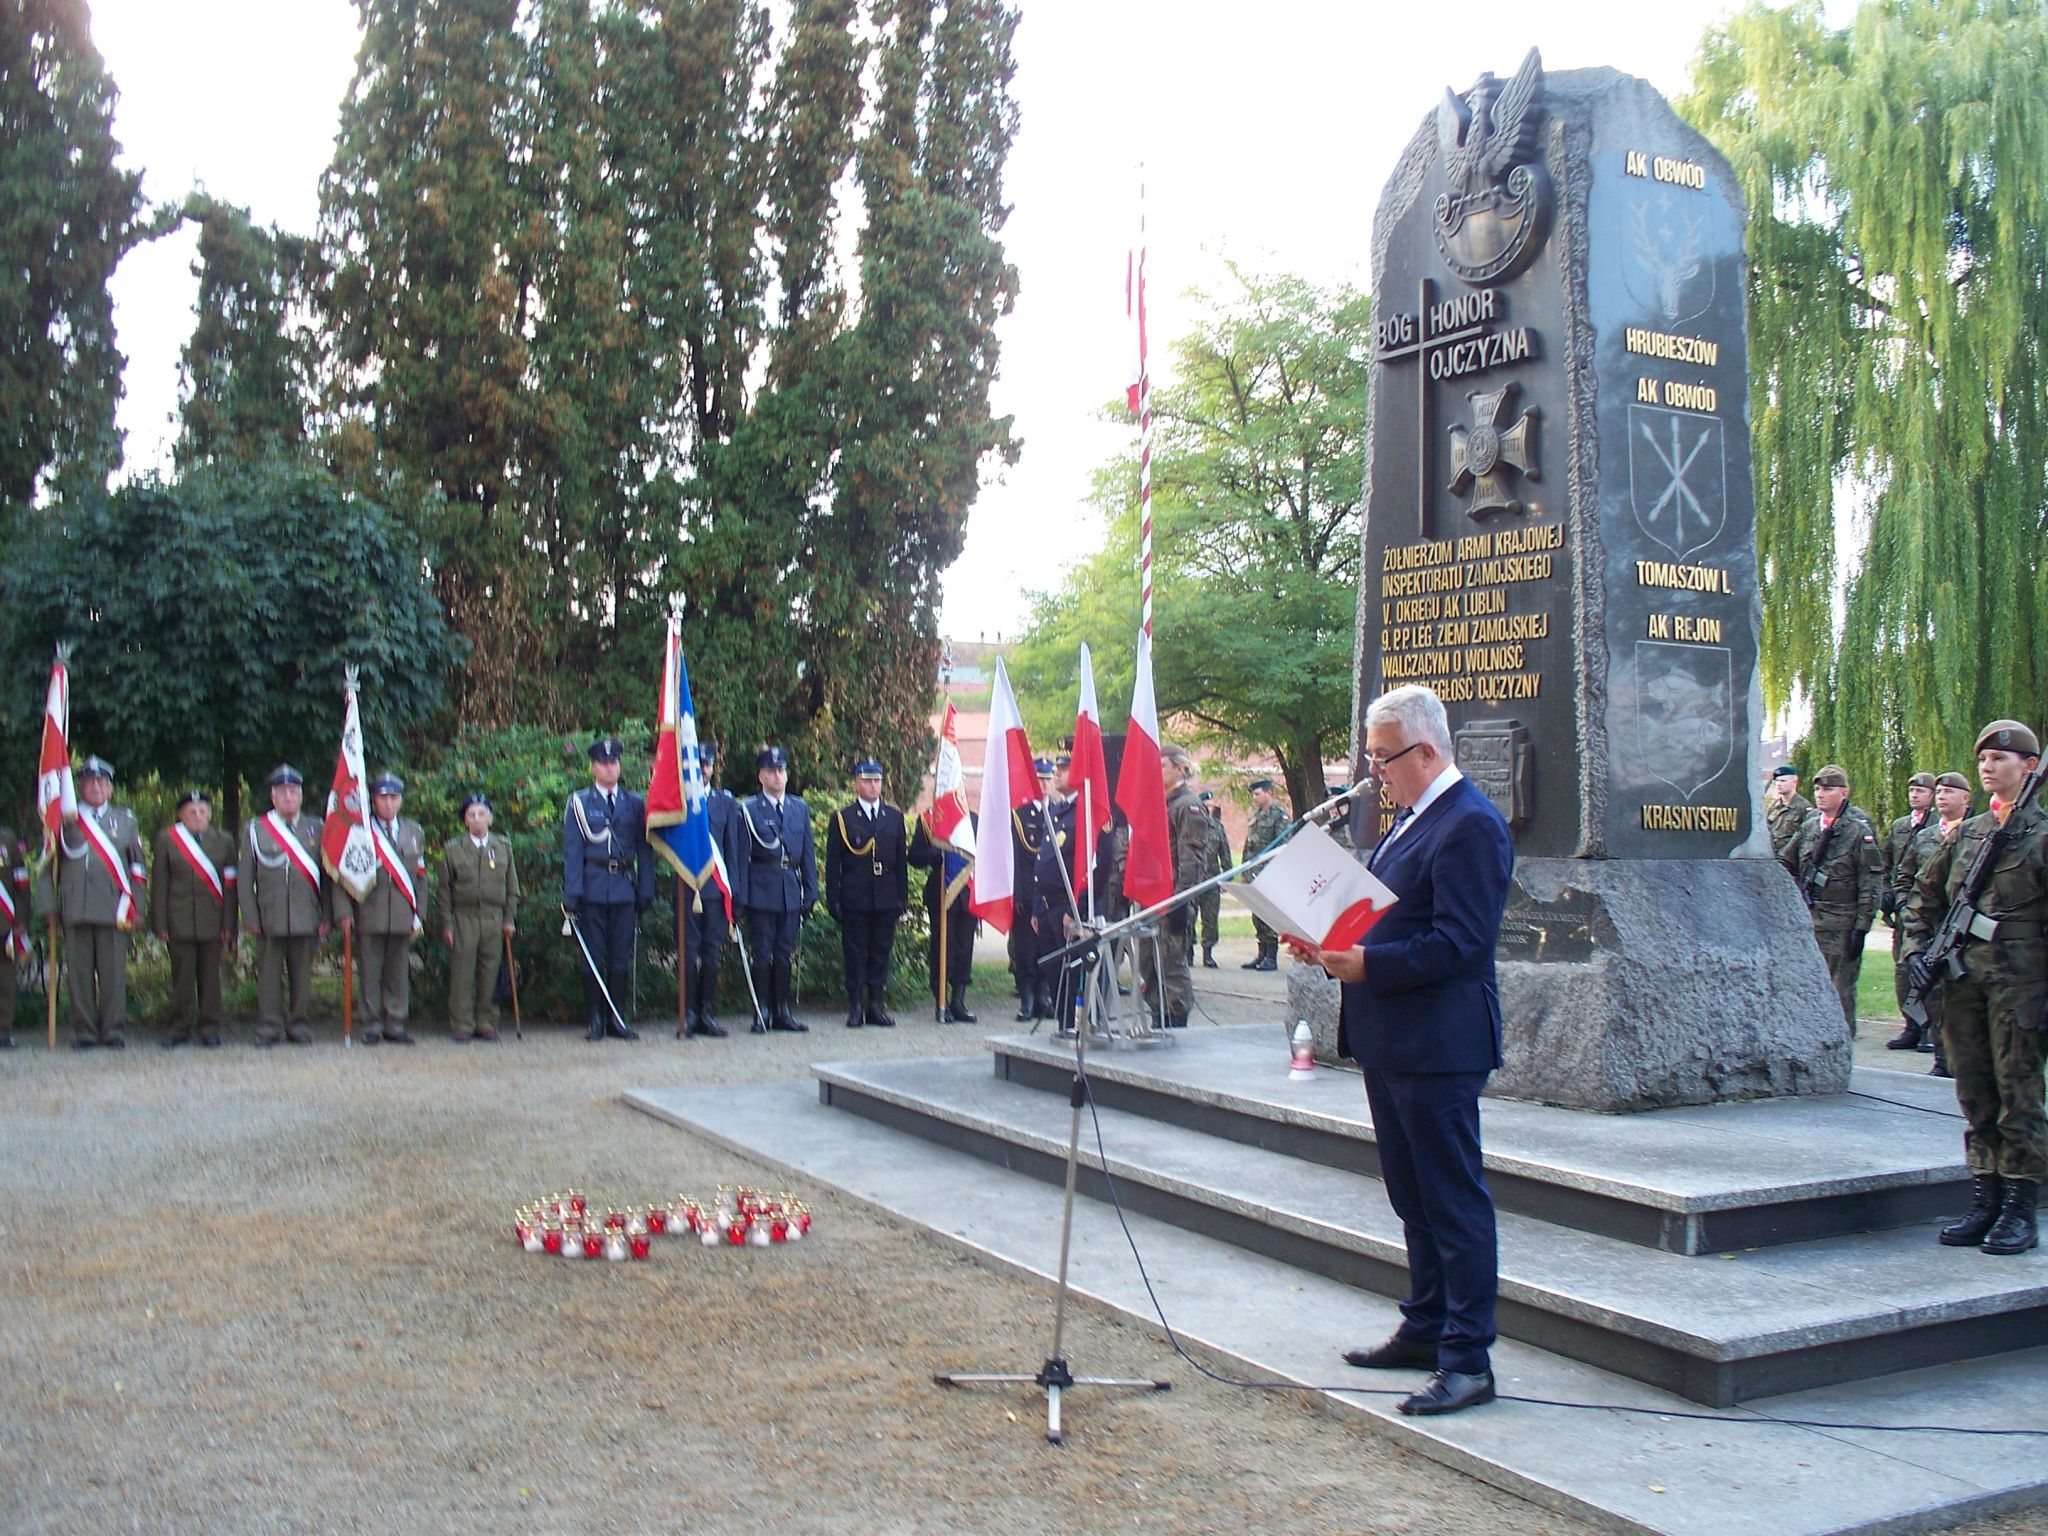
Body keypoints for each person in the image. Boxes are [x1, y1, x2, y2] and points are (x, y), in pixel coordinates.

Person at [1315, 683, 1512, 1418]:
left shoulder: (1471, 825)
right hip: (1392, 1038)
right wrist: (1330, 943)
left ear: (1428, 751)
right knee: (1412, 1197)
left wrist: (1371, 965)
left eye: (1384, 759)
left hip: (1440, 1043)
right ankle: (1426, 1326)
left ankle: (1468, 1359)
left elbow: (1463, 944)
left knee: (1452, 1202)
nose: (1375, 775)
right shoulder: (1408, 822)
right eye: (1370, 758)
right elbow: (1389, 917)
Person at [1904, 720, 2046, 1256]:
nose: (1988, 766)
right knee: (1975, 1091)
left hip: (2021, 986)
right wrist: (1919, 949)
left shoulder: (2041, 835)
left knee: (2020, 1095)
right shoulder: (1969, 832)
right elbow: (1926, 893)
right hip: (1965, 981)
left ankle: (2019, 1208)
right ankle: (1985, 1196)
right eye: (1983, 758)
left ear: (2029, 768)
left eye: (2001, 759)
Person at [47, 756, 148, 1050]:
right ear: (80, 786)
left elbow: (138, 869)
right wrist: (48, 906)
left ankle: (113, 1030)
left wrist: (138, 906)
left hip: (114, 909)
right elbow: (47, 866)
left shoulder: (126, 820)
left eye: (101, 782)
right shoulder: (64, 820)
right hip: (75, 907)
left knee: (113, 974)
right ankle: (85, 1032)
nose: (95, 787)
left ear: (111, 788)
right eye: (89, 782)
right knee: (78, 976)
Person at [563, 736, 653, 1041]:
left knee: (619, 957)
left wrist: (646, 888)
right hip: (592, 887)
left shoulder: (634, 803)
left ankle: (617, 1018)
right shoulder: (580, 802)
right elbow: (573, 850)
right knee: (593, 956)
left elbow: (644, 849)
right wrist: (572, 893)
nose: (610, 768)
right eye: (604, 763)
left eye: (614, 762)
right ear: (593, 767)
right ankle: (595, 1020)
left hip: (624, 888)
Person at [331, 772, 427, 1046]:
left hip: (401, 912)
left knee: (398, 972)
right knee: (370, 972)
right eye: (383, 797)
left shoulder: (413, 832)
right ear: (373, 800)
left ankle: (395, 1023)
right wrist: (344, 913)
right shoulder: (359, 832)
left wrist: (419, 912)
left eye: (393, 797)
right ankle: (371, 1024)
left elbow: (420, 877)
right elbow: (341, 876)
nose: (388, 803)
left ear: (400, 800)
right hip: (368, 912)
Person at [1785, 764, 1881, 1033]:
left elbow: (1870, 882)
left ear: (1844, 792)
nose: (1820, 794)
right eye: (1817, 789)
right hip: (1810, 919)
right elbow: (1785, 862)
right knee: (1807, 985)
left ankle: (1841, 1039)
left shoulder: (1858, 830)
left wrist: (1861, 927)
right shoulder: (1809, 827)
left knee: (1840, 991)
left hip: (1842, 922)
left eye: (1828, 789)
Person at [243, 764, 327, 1047]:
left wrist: (326, 914)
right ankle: (269, 1027)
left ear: (301, 795)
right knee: (268, 977)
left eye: (293, 791)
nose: (288, 796)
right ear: (273, 796)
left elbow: (328, 876)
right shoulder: (256, 829)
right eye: (282, 792)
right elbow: (245, 879)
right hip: (270, 916)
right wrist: (251, 918)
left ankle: (299, 1026)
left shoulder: (318, 828)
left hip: (306, 915)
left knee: (302, 977)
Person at [825, 758, 909, 1028]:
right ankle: (856, 1006)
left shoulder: (894, 817)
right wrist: (833, 899)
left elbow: (900, 863)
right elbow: (833, 864)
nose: (873, 786)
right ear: (857, 783)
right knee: (855, 953)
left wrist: (901, 898)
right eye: (868, 780)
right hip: (855, 897)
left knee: (880, 952)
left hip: (885, 897)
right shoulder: (843, 818)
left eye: (877, 781)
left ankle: (875, 1004)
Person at [149, 790, 237, 1049]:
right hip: (179, 921)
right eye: (191, 811)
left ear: (210, 814)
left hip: (213, 920)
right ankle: (180, 1027)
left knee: (211, 979)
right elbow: (160, 884)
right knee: (182, 979)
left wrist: (229, 924)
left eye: (202, 810)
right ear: (181, 815)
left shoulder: (224, 841)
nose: (197, 815)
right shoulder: (167, 840)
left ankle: (210, 1028)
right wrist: (160, 923)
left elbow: (230, 886)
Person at [738, 745, 815, 1033]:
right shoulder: (748, 809)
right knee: (762, 953)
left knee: (784, 953)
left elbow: (807, 851)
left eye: (781, 770)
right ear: (761, 776)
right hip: (761, 887)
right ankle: (762, 1011)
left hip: (789, 889)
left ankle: (782, 1010)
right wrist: (742, 896)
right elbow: (741, 857)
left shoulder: (799, 807)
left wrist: (811, 889)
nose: (778, 776)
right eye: (771, 771)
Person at [1135, 745, 1205, 1029]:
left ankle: (1175, 1018)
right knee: (1148, 964)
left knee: (1171, 964)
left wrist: (1181, 900)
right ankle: (1158, 1016)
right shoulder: (1158, 803)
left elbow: (1192, 857)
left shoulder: (1187, 806)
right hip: (1151, 898)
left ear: (1180, 768)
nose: (1158, 771)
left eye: (1163, 766)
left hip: (1172, 898)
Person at [440, 793, 518, 1042]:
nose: (477, 819)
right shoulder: (453, 850)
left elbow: (512, 887)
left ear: (490, 818)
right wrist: (447, 924)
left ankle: (486, 1021)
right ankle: (462, 1023)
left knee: (490, 971)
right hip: (465, 917)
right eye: (471, 815)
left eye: (482, 814)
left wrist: (509, 919)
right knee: (463, 973)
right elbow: (443, 891)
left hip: (494, 918)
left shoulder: (503, 846)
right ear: (465, 820)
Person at [679, 739, 738, 1038]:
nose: (703, 769)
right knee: (688, 952)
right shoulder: (678, 800)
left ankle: (707, 1013)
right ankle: (688, 1014)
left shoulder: (724, 802)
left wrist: (735, 891)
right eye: (698, 763)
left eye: (707, 764)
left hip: (716, 888)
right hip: (687, 887)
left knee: (712, 952)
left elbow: (732, 850)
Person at [1920, 771, 1976, 1076]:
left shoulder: (1976, 833)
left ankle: (1955, 1061)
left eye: (1948, 792)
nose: (1941, 796)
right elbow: (1914, 883)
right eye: (1938, 791)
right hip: (1937, 930)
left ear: (1966, 798)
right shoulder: (1926, 836)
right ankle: (1942, 1058)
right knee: (1934, 996)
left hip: (1972, 937)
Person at [1880, 773, 1938, 1051]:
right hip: (1906, 911)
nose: (1915, 795)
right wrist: (1890, 897)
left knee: (1927, 971)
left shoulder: (1941, 828)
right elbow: (1886, 864)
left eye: (1921, 791)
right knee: (1903, 971)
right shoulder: (1900, 826)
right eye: (1911, 790)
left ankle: (1930, 1028)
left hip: (1929, 913)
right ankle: (1911, 1026)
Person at [911, 813, 977, 1022]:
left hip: (968, 892)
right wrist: (934, 854)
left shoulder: (974, 821)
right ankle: (942, 1001)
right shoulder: (930, 819)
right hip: (941, 892)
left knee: (964, 948)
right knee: (942, 948)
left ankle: (958, 1001)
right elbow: (914, 857)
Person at [1009, 758, 1055, 1020]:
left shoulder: (1060, 812)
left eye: (1048, 778)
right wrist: (1016, 892)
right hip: (1026, 893)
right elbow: (1014, 858)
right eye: (1040, 778)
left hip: (1051, 895)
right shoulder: (1020, 815)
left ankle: (1043, 996)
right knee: (1025, 947)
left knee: (1046, 946)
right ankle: (1026, 998)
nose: (1045, 783)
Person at [1240, 778, 1287, 971]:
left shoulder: (1279, 816)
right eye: (1253, 794)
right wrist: (1244, 869)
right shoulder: (1256, 815)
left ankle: (1271, 957)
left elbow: (1284, 844)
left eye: (1257, 793)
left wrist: (1273, 871)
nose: (1254, 797)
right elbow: (1248, 844)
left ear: (1269, 793)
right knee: (1257, 913)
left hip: (1269, 871)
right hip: (1253, 872)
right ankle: (1261, 955)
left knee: (1267, 914)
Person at [1196, 793, 1233, 968]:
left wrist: (1227, 876)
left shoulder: (1217, 827)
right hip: (1192, 879)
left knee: (1210, 918)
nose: (1208, 809)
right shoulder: (1191, 824)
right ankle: (1187, 952)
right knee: (1189, 917)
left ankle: (1207, 953)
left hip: (1211, 878)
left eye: (1211, 806)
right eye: (1205, 805)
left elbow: (1224, 852)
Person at [0, 825, 27, 1049]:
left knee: (5, 981)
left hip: (3, 923)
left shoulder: (6, 839)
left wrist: (22, 918)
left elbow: (21, 881)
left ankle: (3, 1031)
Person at [1765, 764, 1810, 863]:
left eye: (1783, 781)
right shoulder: (1774, 806)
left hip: (1791, 862)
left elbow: (1807, 837)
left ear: (1794, 782)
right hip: (1772, 859)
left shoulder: (1803, 807)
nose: (1778, 784)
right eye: (1777, 781)